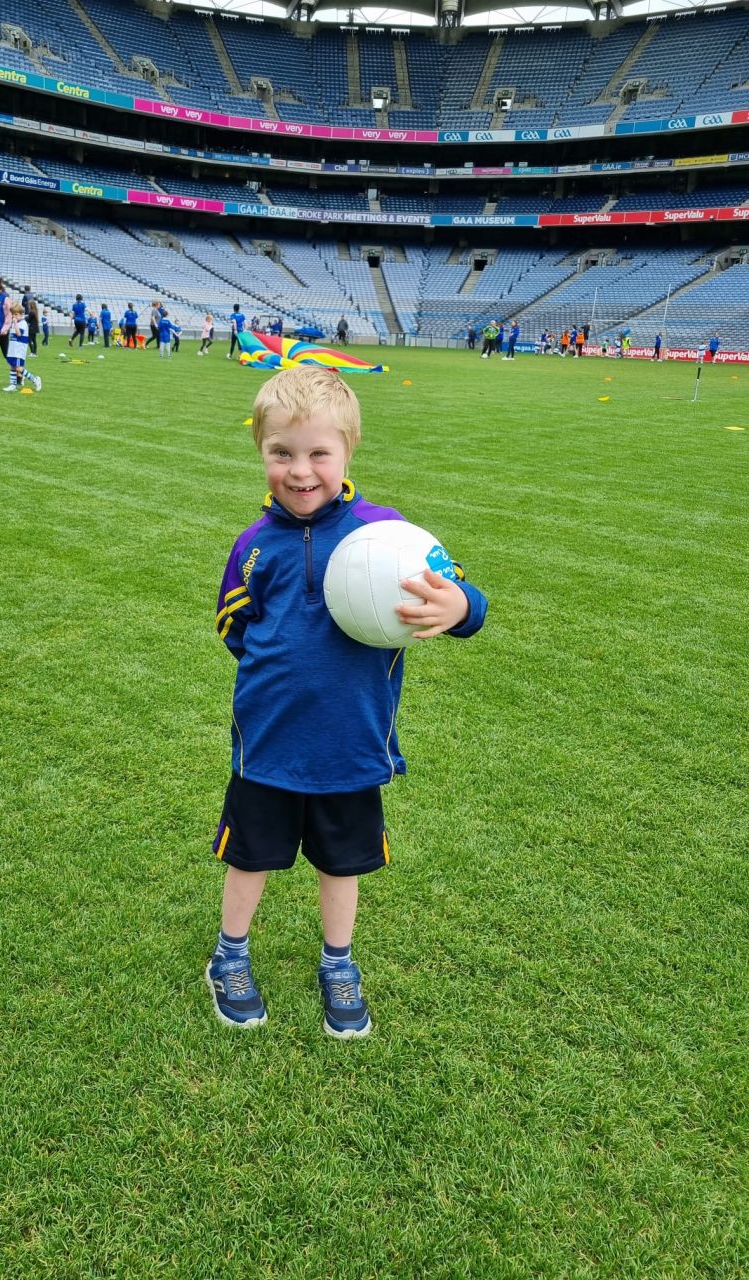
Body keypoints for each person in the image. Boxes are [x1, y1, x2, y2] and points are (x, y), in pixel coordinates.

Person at [207, 366, 488, 1037]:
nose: (300, 471)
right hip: (270, 744)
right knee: (251, 855)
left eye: (318, 454)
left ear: (348, 451)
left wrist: (460, 606)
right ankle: (230, 956)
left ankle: (339, 963)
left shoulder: (389, 537)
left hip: (353, 744)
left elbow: (461, 601)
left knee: (342, 862)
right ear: (262, 454)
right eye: (282, 453)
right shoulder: (254, 546)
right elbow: (232, 627)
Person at [2, 303, 42, 393]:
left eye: (16, 314)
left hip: (19, 350)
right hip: (13, 349)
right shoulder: (14, 323)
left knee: (18, 368)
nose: (14, 316)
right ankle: (13, 385)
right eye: (13, 314)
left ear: (21, 314)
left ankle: (35, 379)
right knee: (12, 366)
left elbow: (19, 334)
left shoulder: (22, 323)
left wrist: (15, 323)